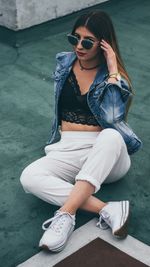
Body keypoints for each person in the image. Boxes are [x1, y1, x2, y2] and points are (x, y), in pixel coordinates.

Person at [20, 10, 142, 252]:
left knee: (111, 135)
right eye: (75, 38)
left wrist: (112, 71)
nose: (79, 46)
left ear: (103, 44)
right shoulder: (64, 63)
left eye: (88, 41)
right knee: (29, 177)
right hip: (67, 149)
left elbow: (112, 118)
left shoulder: (114, 78)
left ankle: (65, 215)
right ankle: (107, 209)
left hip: (107, 155)